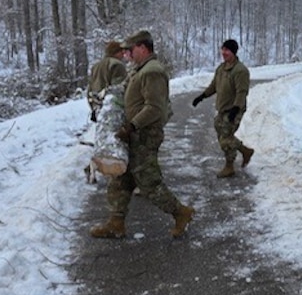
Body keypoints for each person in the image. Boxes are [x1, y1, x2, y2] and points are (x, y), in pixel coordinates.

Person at [90, 30, 195, 239]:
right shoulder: (139, 69)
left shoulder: (153, 71)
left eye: (131, 49)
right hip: (135, 133)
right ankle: (116, 223)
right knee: (121, 179)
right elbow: (126, 90)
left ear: (143, 48)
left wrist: (131, 126)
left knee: (148, 183)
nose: (128, 54)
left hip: (145, 134)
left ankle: (181, 213)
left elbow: (155, 108)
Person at [191, 39, 255, 178]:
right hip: (223, 109)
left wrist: (235, 109)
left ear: (233, 52)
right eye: (223, 49)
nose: (224, 53)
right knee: (222, 134)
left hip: (234, 109)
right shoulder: (221, 68)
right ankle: (245, 151)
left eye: (227, 50)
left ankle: (229, 166)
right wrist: (201, 96)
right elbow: (214, 86)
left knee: (225, 138)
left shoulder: (240, 70)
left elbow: (242, 92)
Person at [87, 41, 128, 122]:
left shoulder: (95, 66)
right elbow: (119, 90)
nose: (123, 54)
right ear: (115, 52)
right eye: (121, 51)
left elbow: (89, 90)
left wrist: (93, 108)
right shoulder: (117, 65)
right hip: (112, 111)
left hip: (98, 109)